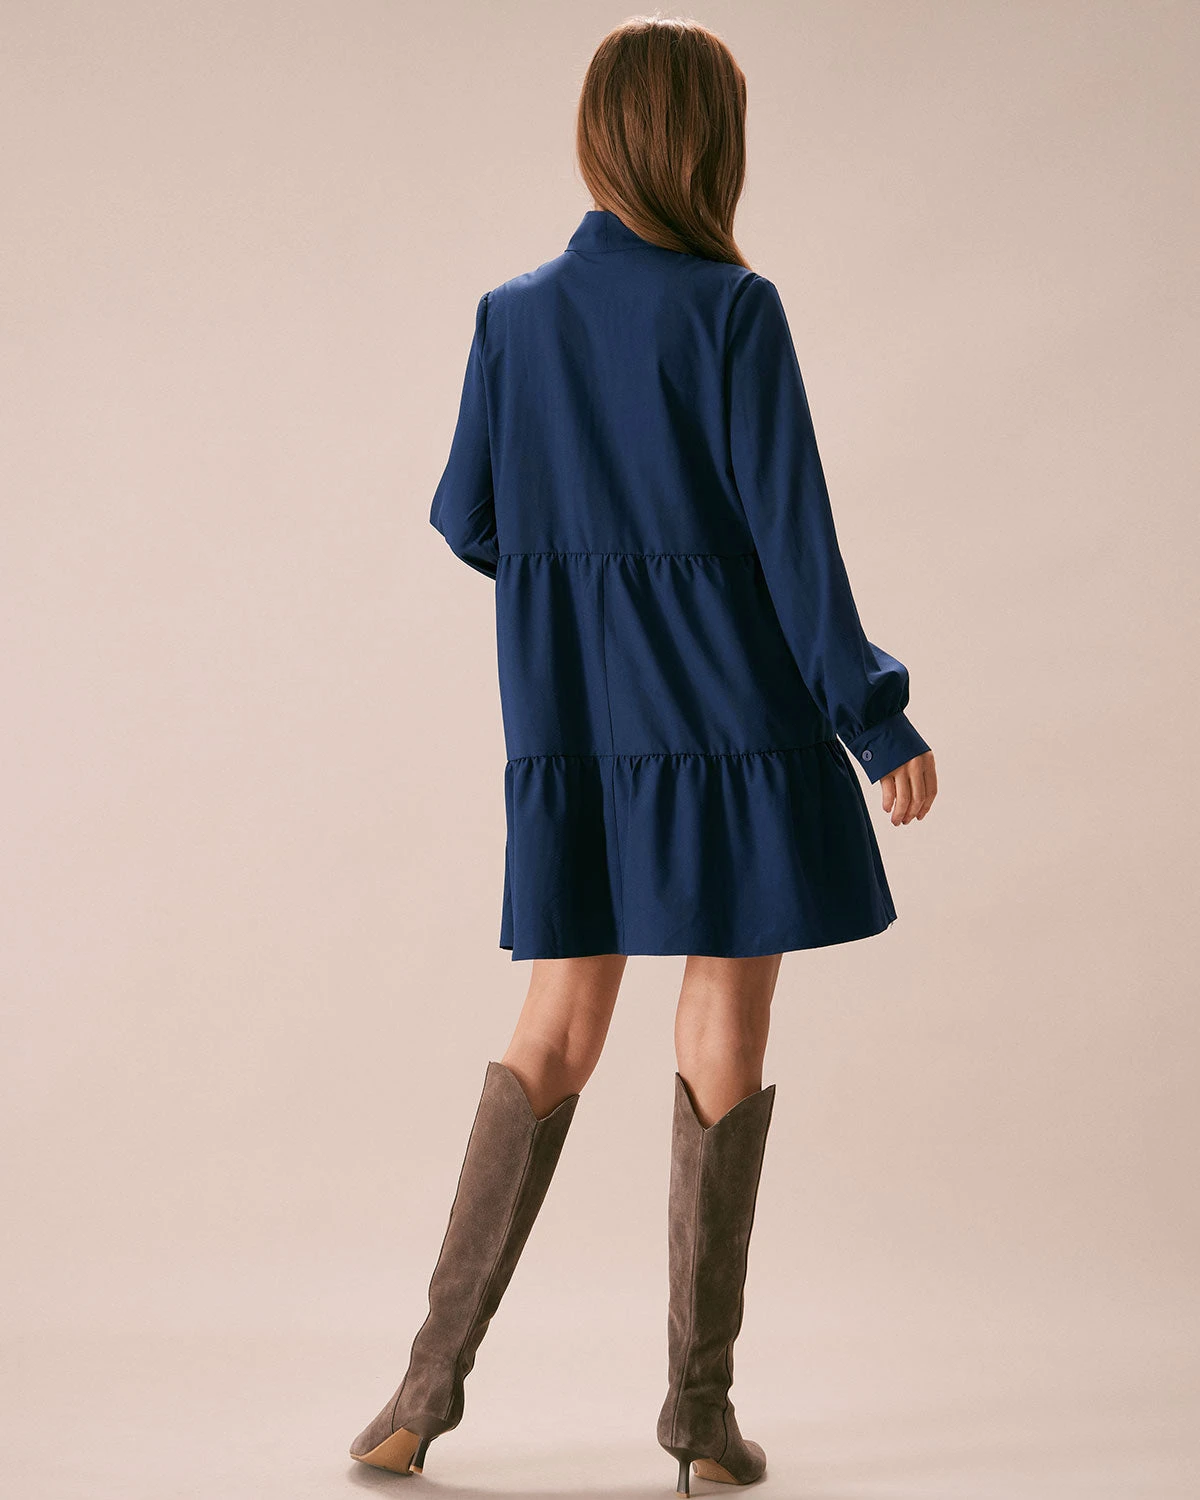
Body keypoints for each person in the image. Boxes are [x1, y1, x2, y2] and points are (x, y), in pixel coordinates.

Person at [349, 16, 937, 1495]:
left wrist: (583, 592)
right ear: (707, 145)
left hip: (580, 733)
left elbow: (470, 519)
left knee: (551, 1028)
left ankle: (419, 1395)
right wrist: (874, 715)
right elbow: (795, 548)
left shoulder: (511, 318)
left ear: (600, 137)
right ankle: (698, 1422)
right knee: (723, 1024)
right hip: (736, 727)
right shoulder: (736, 311)